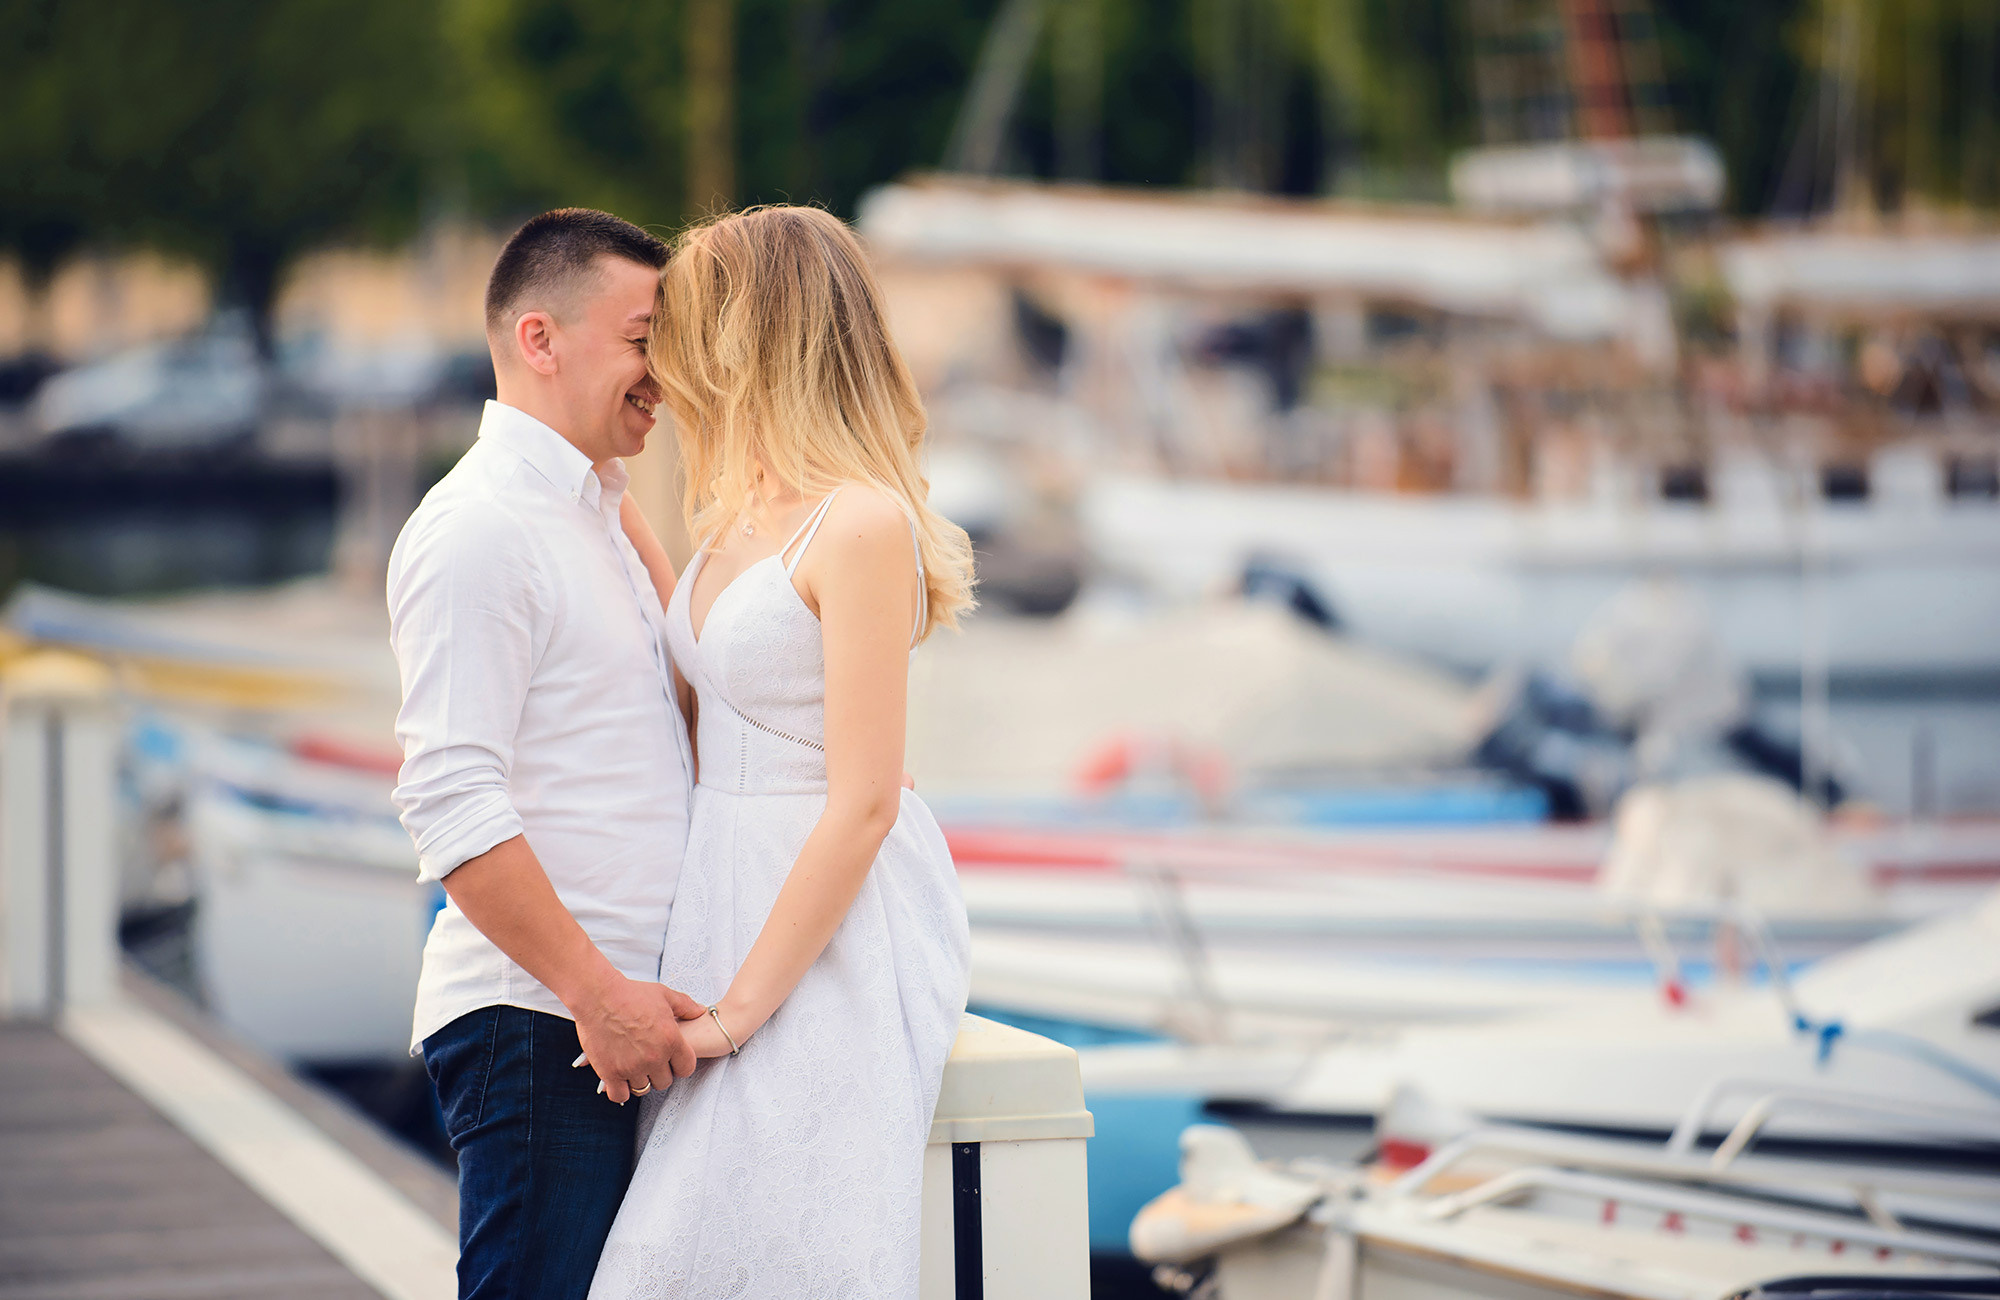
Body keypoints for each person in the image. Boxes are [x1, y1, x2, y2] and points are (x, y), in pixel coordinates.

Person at [587, 205, 975, 1299]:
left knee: (761, 1244)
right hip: (722, 889)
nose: (663, 355)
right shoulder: (733, 515)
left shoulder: (859, 523)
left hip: (822, 924)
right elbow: (716, 684)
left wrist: (739, 1010)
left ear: (757, 336)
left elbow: (862, 802)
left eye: (686, 325)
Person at [388, 208, 704, 1300]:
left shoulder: (599, 515)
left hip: (608, 1023)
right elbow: (448, 797)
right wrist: (596, 995)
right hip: (545, 1026)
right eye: (642, 337)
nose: (664, 372)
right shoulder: (480, 526)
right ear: (539, 339)